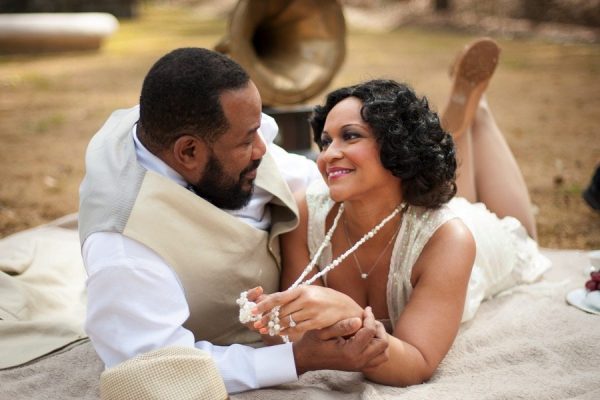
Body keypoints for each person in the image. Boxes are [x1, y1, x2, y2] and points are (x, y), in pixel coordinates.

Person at [78, 47, 388, 395]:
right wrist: (298, 359)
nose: (262, 148)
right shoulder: (124, 249)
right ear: (189, 152)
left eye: (258, 130)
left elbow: (301, 179)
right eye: (246, 141)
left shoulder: (192, 125)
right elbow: (158, 368)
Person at [250, 38, 551, 387]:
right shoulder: (306, 211)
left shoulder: (450, 238)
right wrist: (272, 321)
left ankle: (477, 113)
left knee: (520, 235)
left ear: (396, 144)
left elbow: (416, 362)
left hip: (468, 241)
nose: (329, 154)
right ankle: (463, 119)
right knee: (453, 198)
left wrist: (348, 314)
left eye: (350, 136)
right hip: (412, 210)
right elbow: (298, 335)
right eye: (326, 141)